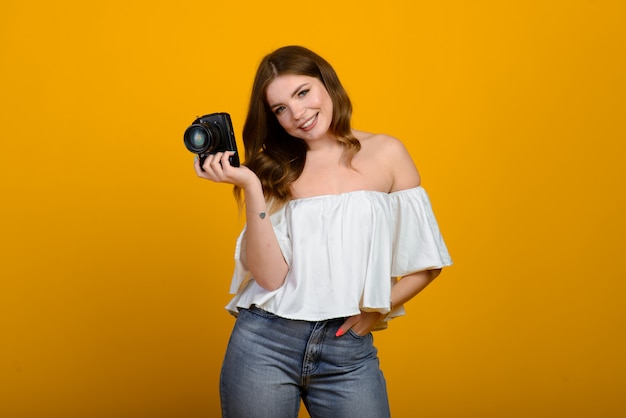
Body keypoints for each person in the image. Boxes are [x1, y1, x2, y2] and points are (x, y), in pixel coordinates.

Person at [193, 45, 452, 418]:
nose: (298, 113)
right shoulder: (272, 170)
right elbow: (270, 277)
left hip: (347, 351)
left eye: (302, 92)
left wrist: (373, 315)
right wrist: (251, 186)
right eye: (280, 108)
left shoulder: (387, 153)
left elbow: (427, 262)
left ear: (326, 83)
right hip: (265, 343)